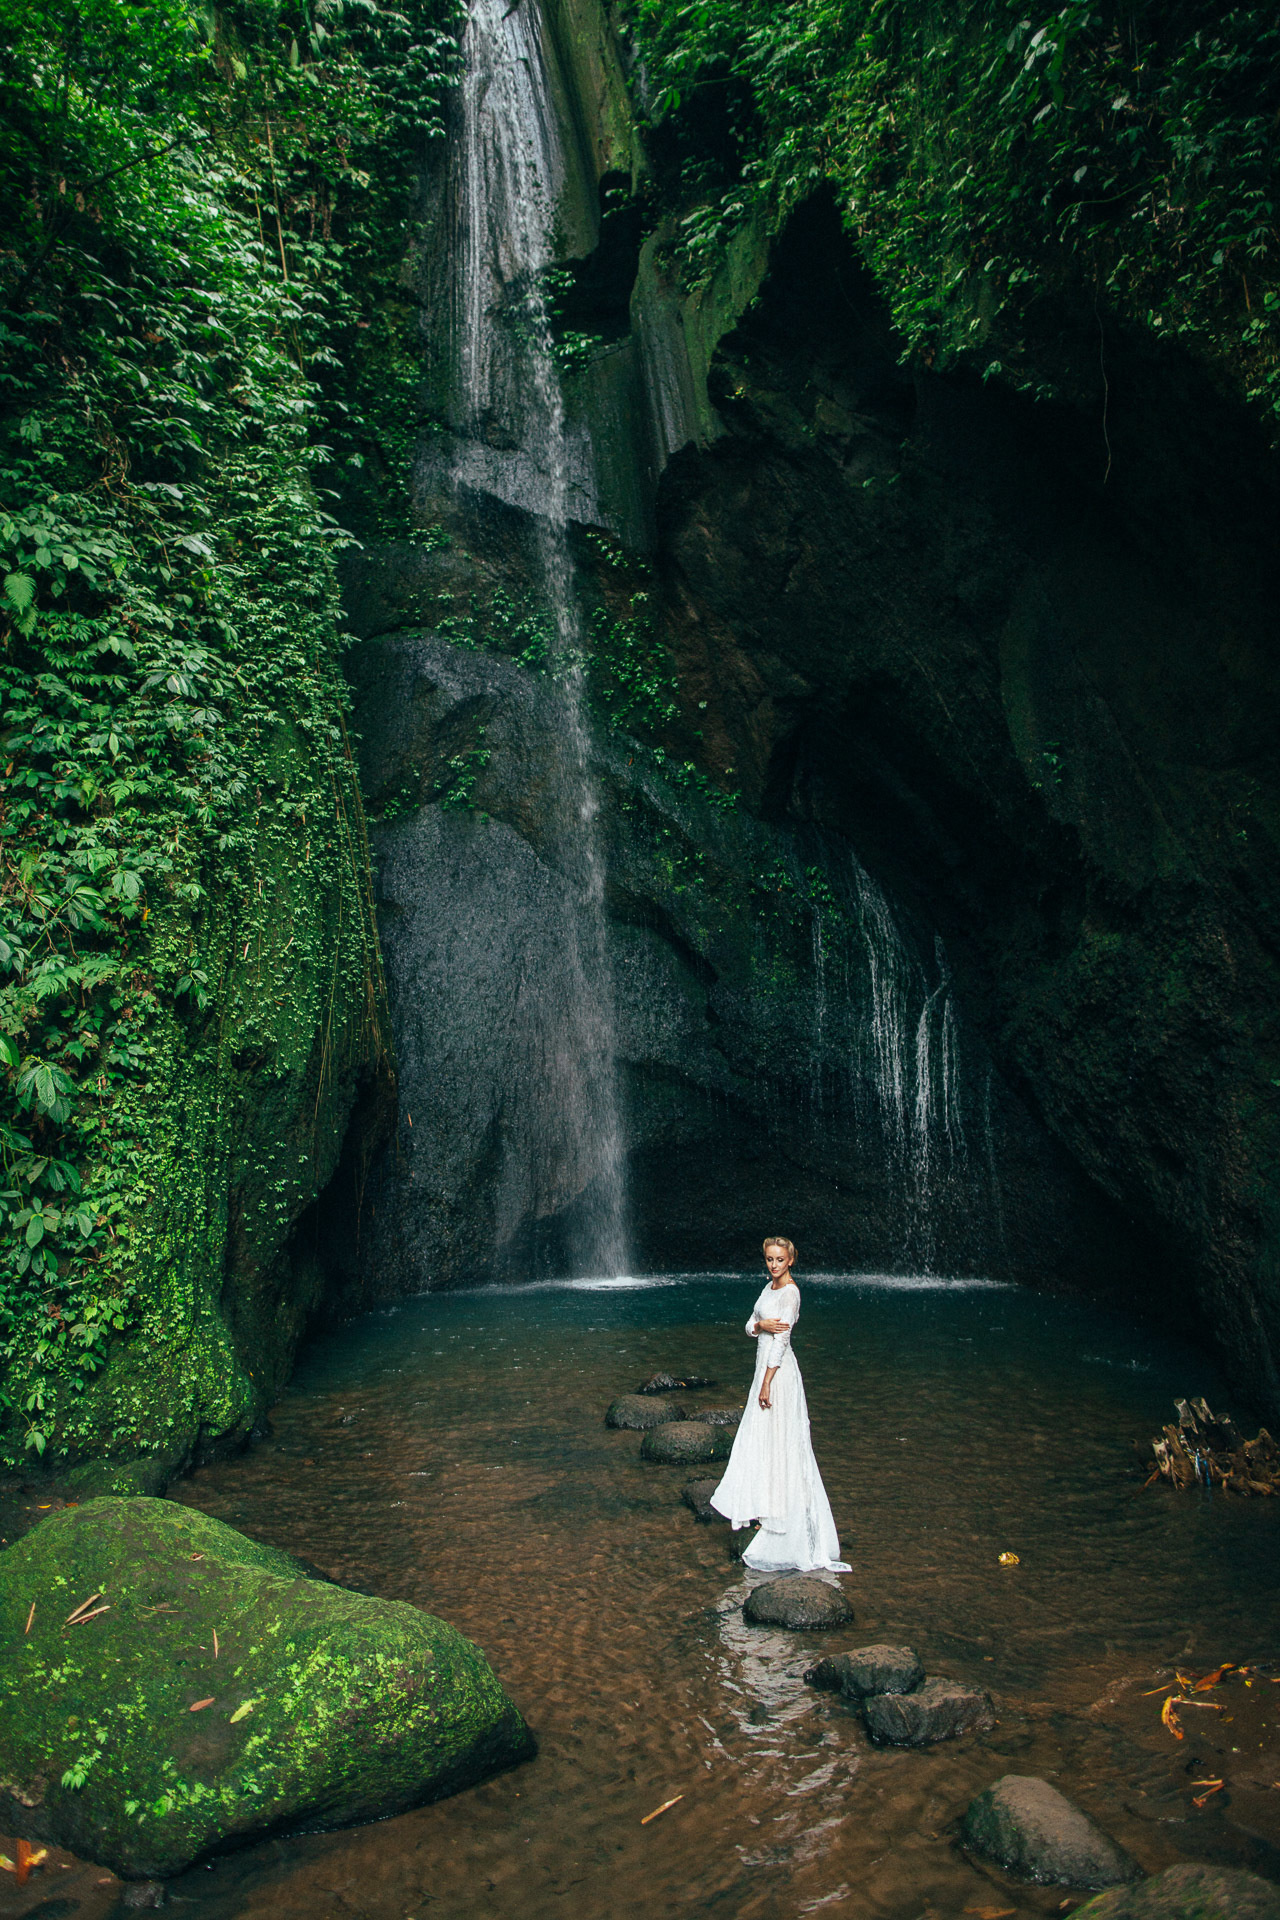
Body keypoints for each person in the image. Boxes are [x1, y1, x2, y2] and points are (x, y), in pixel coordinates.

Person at [710, 1236, 850, 1573]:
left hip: (778, 1375)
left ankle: (784, 1518)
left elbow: (782, 1341)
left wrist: (768, 1383)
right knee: (761, 1441)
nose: (774, 1265)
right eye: (770, 1259)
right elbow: (749, 1327)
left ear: (791, 1261)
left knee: (781, 1442)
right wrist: (760, 1325)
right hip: (762, 1370)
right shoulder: (767, 1289)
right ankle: (765, 1508)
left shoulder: (790, 1293)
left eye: (779, 1260)